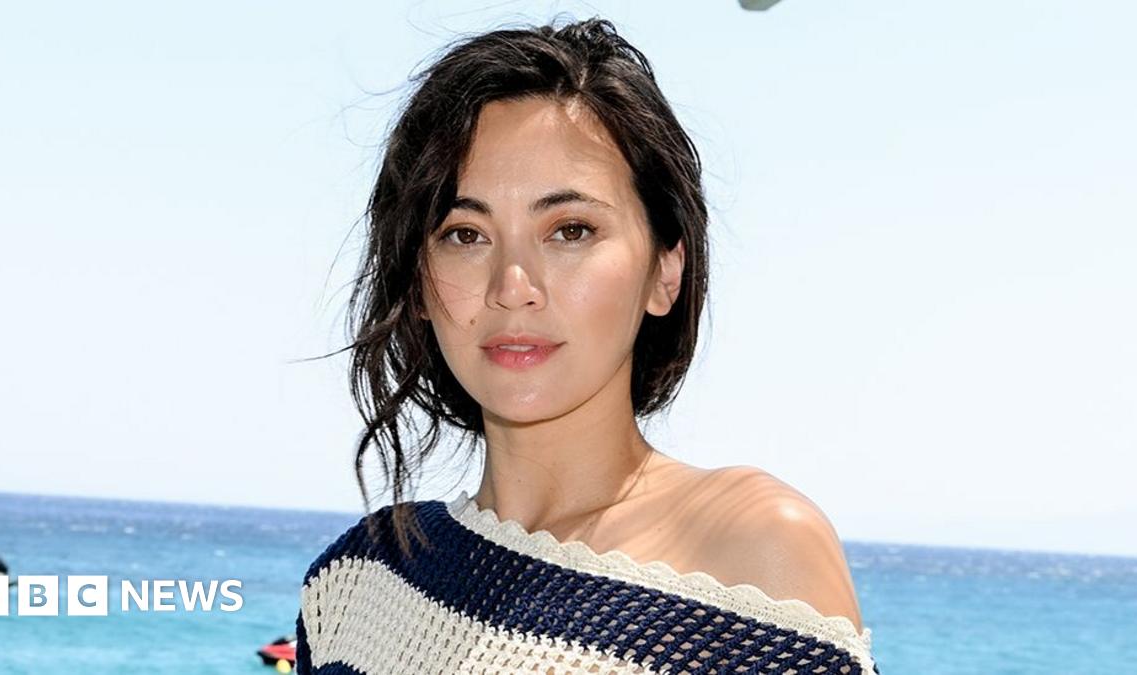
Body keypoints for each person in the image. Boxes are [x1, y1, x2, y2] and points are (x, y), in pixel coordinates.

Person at [296, 16, 879, 675]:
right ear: (419, 284)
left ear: (665, 270)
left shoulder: (752, 553)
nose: (513, 287)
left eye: (570, 230)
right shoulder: (357, 582)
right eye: (465, 234)